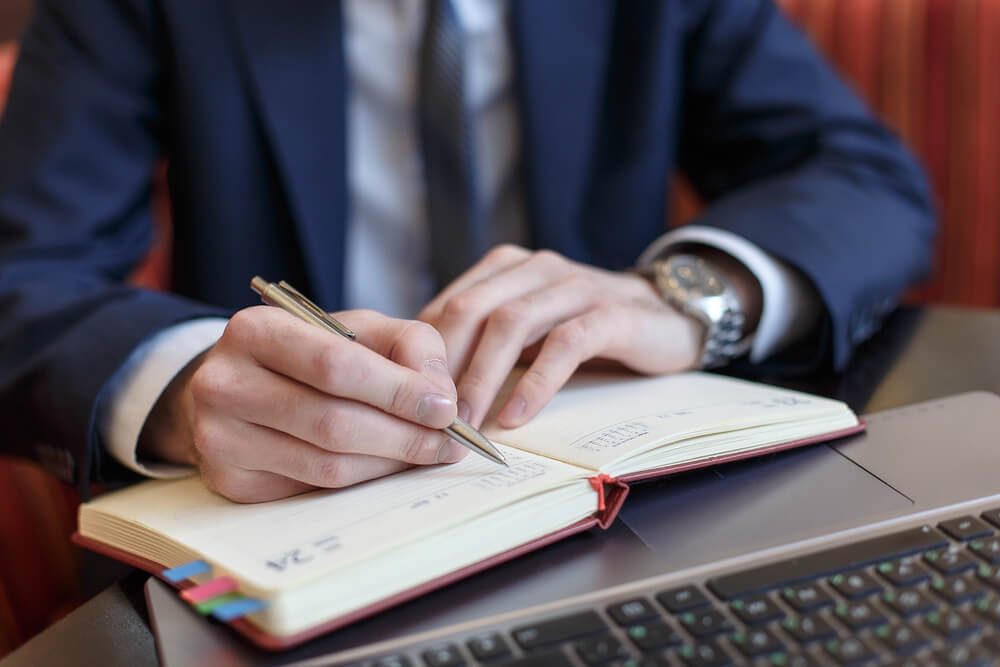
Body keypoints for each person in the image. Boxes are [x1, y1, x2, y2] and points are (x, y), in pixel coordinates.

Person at [0, 0, 934, 503]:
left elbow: (861, 177)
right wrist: (189, 386)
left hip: (605, 492)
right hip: (282, 520)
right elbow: (22, 276)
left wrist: (690, 294)